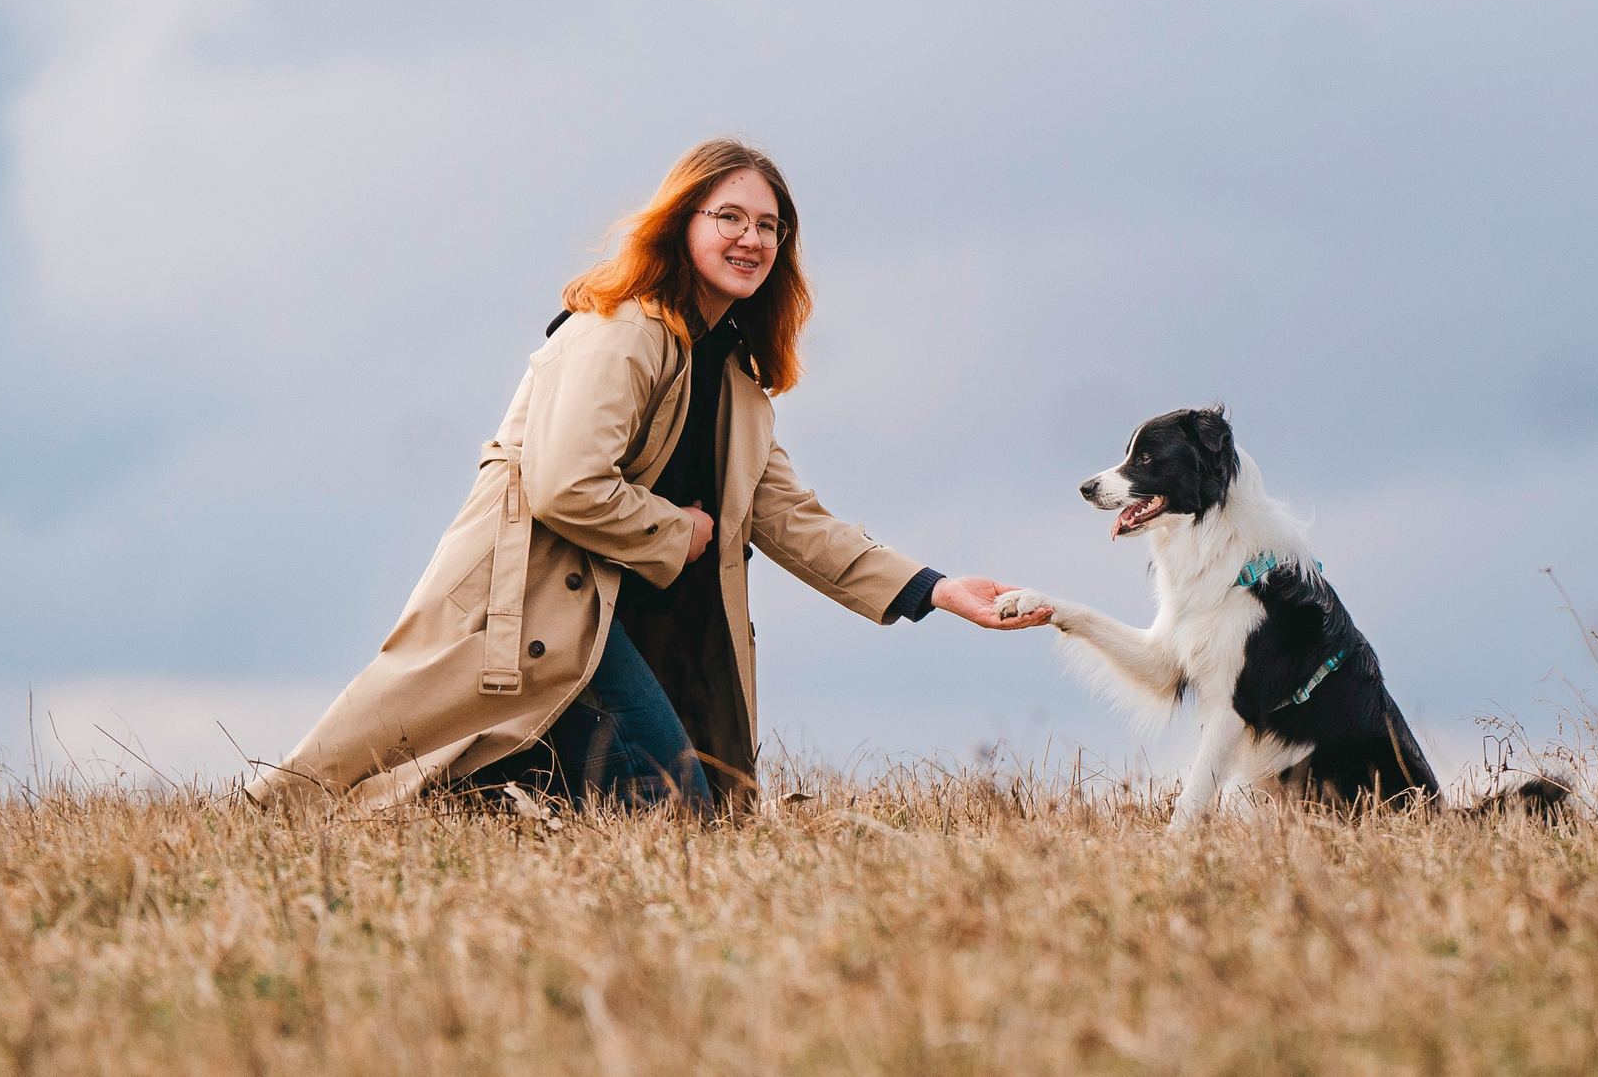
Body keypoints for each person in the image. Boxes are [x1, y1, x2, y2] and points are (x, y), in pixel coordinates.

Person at [246, 138, 1050, 816]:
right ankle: (296, 823)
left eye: (769, 225)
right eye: (729, 216)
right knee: (673, 816)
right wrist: (681, 532)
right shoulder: (623, 327)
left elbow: (793, 520)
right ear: (682, 225)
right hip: (541, 613)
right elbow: (566, 482)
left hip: (623, 626)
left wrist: (934, 589)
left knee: (638, 813)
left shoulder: (736, 381)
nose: (752, 238)